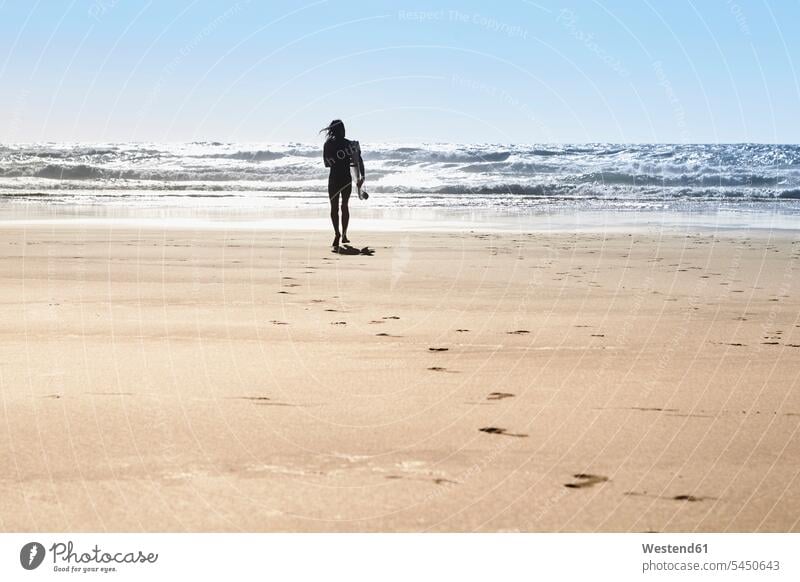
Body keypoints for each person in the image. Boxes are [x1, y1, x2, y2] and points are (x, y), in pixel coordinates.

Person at [321, 119, 364, 248]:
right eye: (343, 129)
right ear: (339, 130)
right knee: (344, 206)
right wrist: (362, 177)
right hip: (345, 179)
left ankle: (337, 234)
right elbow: (359, 162)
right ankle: (344, 234)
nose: (344, 131)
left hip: (334, 179)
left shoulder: (328, 144)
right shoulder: (350, 144)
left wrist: (336, 158)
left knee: (334, 208)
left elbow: (326, 164)